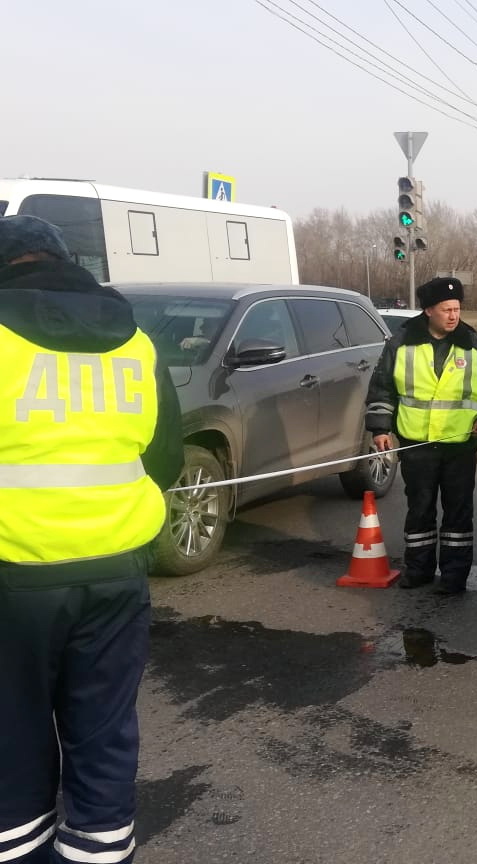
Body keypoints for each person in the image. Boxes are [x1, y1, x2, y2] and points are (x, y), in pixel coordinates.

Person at [0, 216, 183, 864]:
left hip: (14, 577)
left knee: (13, 746)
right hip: (115, 574)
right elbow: (165, 460)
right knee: (104, 740)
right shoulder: (135, 341)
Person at [364, 276, 477, 594]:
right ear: (428, 310)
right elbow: (383, 386)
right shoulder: (401, 343)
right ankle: (419, 570)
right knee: (420, 509)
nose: (454, 315)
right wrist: (380, 428)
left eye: (456, 309)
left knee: (458, 512)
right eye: (446, 309)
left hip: (460, 445)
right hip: (417, 442)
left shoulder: (470, 341)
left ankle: (454, 576)